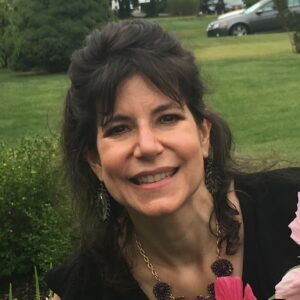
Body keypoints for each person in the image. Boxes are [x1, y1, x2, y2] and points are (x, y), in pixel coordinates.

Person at [45, 19, 300, 300]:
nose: (147, 146)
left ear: (203, 134)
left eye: (167, 118)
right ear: (95, 162)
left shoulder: (291, 207)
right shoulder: (84, 289)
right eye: (119, 128)